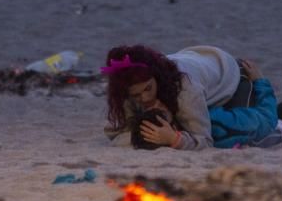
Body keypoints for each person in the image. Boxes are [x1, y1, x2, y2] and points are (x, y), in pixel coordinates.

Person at [103, 44, 244, 150]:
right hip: (192, 57)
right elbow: (114, 133)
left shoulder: (187, 91)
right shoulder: (126, 91)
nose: (145, 98)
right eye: (136, 95)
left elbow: (205, 141)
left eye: (148, 88)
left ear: (156, 77)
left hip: (226, 71)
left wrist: (173, 139)